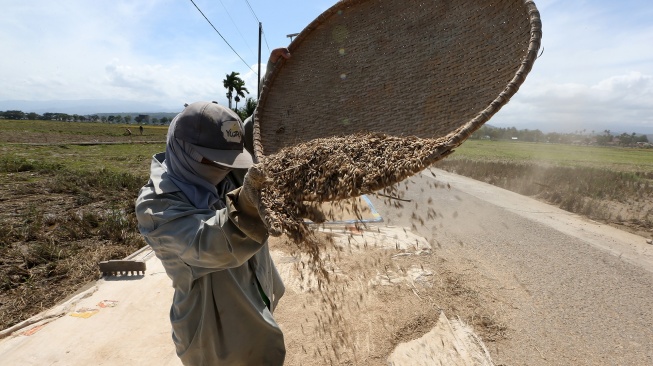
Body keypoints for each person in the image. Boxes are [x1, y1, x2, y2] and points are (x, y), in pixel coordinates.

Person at [135, 49, 290, 365]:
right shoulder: (156, 206)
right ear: (184, 151)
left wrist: (279, 81)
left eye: (232, 161)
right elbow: (214, 243)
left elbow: (259, 129)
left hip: (254, 292)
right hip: (213, 330)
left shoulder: (220, 170)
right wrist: (251, 199)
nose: (227, 170)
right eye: (217, 162)